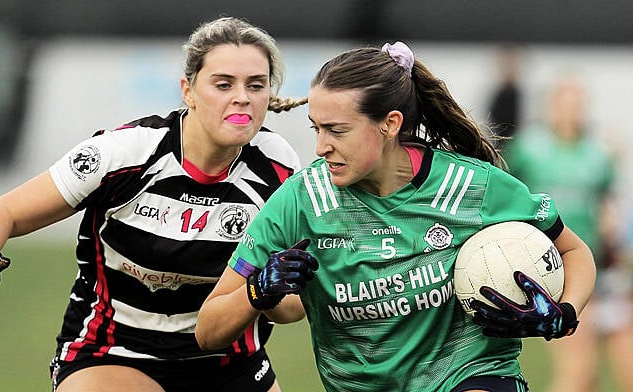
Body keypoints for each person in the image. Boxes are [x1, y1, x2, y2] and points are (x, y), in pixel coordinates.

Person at [195, 42, 597, 392]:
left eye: (337, 130)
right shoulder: (300, 202)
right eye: (316, 129)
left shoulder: (471, 184)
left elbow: (574, 251)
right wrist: (258, 290)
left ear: (390, 124)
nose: (320, 147)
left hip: (475, 374)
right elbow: (208, 331)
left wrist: (563, 314)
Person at [0, 16, 307, 392]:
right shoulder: (125, 153)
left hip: (229, 362)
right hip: (113, 352)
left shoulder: (278, 168)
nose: (242, 97)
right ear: (188, 90)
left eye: (256, 85)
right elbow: (1, 212)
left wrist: (265, 289)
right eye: (223, 84)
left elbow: (292, 308)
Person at [505, 77, 633, 392]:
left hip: (602, 270)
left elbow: (606, 204)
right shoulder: (528, 149)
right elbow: (505, 198)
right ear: (550, 107)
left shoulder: (597, 153)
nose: (571, 112)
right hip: (557, 272)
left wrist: (611, 233)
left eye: (577, 105)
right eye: (564, 104)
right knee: (578, 368)